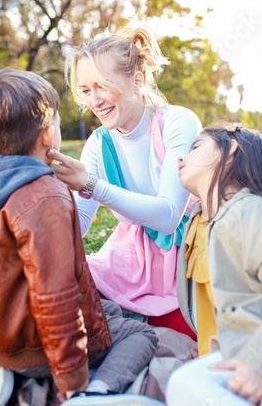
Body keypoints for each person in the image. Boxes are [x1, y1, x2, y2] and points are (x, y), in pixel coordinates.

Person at [0, 65, 158, 406]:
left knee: (109, 309)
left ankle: (1, 373)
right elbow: (56, 297)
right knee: (139, 333)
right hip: (34, 347)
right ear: (46, 136)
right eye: (55, 121)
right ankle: (92, 394)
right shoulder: (44, 196)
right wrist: (71, 377)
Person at [47, 24, 202, 333]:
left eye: (103, 86)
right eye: (87, 90)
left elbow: (169, 216)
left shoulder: (178, 122)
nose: (95, 101)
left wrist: (92, 185)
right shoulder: (98, 144)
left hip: (188, 253)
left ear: (137, 80)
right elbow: (79, 222)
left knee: (189, 335)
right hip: (133, 258)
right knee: (67, 294)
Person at [166, 124, 262, 405]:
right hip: (232, 357)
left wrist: (257, 366)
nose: (181, 158)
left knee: (186, 383)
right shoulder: (196, 225)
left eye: (195, 147)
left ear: (229, 151)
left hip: (253, 360)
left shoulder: (249, 211)